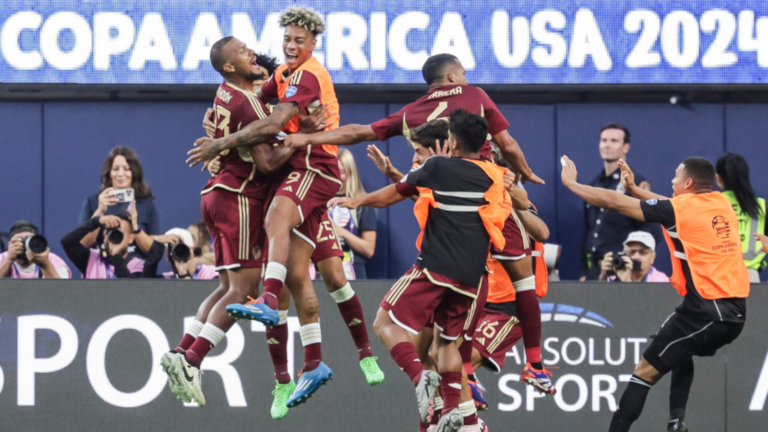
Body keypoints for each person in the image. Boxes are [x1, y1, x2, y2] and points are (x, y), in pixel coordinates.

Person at [188, 7, 387, 409]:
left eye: (300, 40)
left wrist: (220, 145)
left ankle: (365, 354)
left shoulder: (309, 75)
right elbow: (255, 114)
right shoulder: (281, 77)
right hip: (293, 172)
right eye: (288, 39)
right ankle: (300, 371)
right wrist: (221, 128)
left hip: (316, 167)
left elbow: (270, 122)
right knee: (301, 277)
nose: (291, 45)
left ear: (314, 44)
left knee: (328, 272)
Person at [332, 110, 512, 432]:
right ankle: (453, 411)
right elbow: (432, 189)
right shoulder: (494, 176)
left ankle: (423, 382)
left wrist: (358, 201)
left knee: (384, 321)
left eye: (417, 150)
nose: (415, 157)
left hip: (435, 268)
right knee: (445, 346)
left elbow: (397, 193)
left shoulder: (436, 167)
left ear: (450, 143)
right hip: (471, 279)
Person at [561, 155, 749, 432]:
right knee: (679, 352)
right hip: (728, 312)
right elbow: (670, 204)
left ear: (687, 183)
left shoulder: (680, 209)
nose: (671, 182)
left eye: (675, 176)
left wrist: (570, 183)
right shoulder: (720, 203)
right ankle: (676, 423)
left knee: (642, 374)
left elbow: (613, 202)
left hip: (709, 312)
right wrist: (635, 190)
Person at [161, 35, 299, 408]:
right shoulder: (249, 102)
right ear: (229, 67)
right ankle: (193, 360)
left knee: (227, 288)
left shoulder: (225, 94)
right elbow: (268, 162)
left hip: (217, 194)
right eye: (242, 51)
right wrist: (302, 140)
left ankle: (182, 351)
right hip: (239, 196)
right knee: (245, 290)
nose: (251, 52)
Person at [282, 53, 542, 186]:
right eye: (463, 73)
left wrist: (306, 138)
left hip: (439, 192)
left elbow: (357, 132)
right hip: (482, 182)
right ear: (451, 77)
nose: (466, 78)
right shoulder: (475, 94)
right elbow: (506, 145)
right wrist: (526, 172)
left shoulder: (411, 113)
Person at [581, 123, 661, 281]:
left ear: (626, 147)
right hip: (595, 271)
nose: (607, 145)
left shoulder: (634, 184)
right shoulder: (594, 185)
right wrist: (584, 271)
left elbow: (653, 229)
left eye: (614, 141)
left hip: (622, 270)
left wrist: (633, 259)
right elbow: (588, 232)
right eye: (604, 140)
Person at [61, 204, 164, 278]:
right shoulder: (91, 259)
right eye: (110, 231)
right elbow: (67, 242)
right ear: (104, 234)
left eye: (119, 232)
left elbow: (131, 291)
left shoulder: (137, 265)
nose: (114, 236)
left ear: (131, 238)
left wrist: (115, 255)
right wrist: (96, 221)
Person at [80, 147, 160, 236]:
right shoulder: (93, 201)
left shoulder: (147, 204)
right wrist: (100, 211)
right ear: (109, 173)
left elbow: (155, 246)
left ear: (134, 173)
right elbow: (79, 241)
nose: (120, 174)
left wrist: (135, 227)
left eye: (126, 169)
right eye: (115, 169)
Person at [716, 153, 766, 282]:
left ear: (718, 178)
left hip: (718, 275)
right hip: (750, 276)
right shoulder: (761, 205)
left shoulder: (711, 204)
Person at [330, 148, 378, 279]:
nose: (337, 177)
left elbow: (369, 250)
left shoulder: (362, 203)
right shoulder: (318, 201)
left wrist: (340, 232)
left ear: (351, 173)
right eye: (332, 172)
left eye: (341, 172)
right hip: (320, 274)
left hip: (353, 275)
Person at [0, 220, 71, 279]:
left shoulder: (52, 260)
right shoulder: (2, 258)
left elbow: (63, 292)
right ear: (10, 244)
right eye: (20, 240)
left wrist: (45, 264)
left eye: (29, 239)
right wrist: (9, 260)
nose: (24, 244)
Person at [599, 231, 670, 283]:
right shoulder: (616, 275)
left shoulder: (661, 281)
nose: (636, 257)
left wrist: (627, 282)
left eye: (643, 252)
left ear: (653, 257)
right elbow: (601, 301)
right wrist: (603, 278)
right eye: (631, 252)